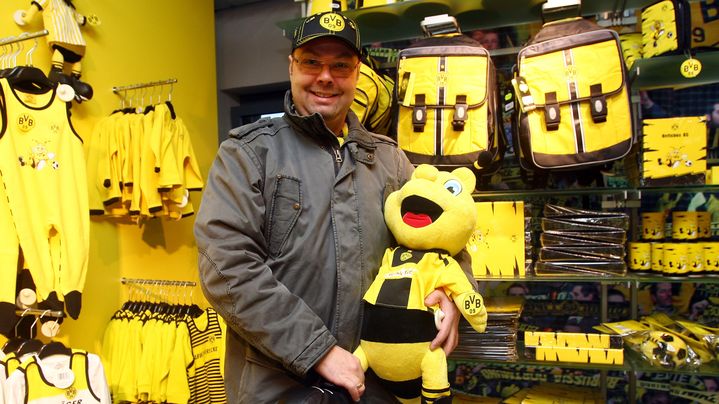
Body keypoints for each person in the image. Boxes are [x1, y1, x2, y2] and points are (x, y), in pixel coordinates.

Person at [194, 11, 467, 403]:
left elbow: (449, 228)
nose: (326, 77)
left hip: (377, 388)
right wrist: (317, 349)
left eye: (340, 65)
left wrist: (454, 294)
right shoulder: (249, 153)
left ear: (358, 74)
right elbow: (226, 267)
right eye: (312, 63)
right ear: (291, 67)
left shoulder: (390, 161)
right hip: (277, 389)